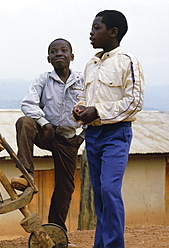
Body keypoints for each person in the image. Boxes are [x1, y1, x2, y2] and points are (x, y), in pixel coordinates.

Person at [72, 10, 144, 248]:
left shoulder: (127, 61)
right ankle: (101, 244)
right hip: (92, 136)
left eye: (96, 28)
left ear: (113, 32)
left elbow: (134, 102)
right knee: (100, 195)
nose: (91, 33)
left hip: (116, 135)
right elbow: (83, 97)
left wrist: (98, 111)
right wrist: (80, 109)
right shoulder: (91, 65)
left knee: (110, 191)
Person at [11, 38, 84, 232]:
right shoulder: (43, 79)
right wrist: (44, 123)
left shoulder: (82, 81)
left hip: (68, 138)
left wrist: (83, 135)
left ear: (72, 56)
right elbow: (27, 103)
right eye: (54, 51)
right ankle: (26, 173)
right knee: (24, 122)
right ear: (49, 58)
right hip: (45, 133)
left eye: (64, 50)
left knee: (65, 186)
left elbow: (94, 106)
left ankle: (55, 229)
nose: (59, 54)